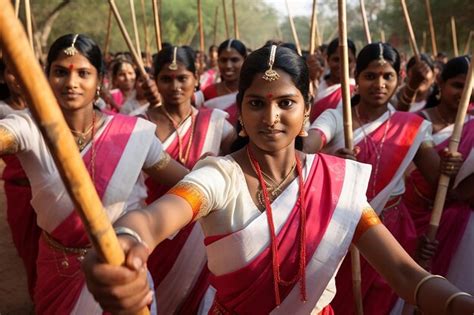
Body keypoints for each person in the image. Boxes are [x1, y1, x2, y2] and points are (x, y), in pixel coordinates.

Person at [82, 45, 474, 315]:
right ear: (239, 112)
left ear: (306, 111)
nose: (270, 117)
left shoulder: (337, 184)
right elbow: (152, 219)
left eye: (286, 103)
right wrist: (127, 241)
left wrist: (457, 302)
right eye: (257, 103)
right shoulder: (220, 177)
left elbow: (406, 275)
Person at [0, 33, 188, 314]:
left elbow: (186, 184)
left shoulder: (132, 133)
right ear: (46, 77)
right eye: (60, 72)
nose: (71, 83)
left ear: (99, 81)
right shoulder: (28, 126)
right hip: (57, 271)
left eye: (83, 73)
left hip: (119, 272)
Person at [304, 42, 463, 315]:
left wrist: (450, 165)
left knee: (380, 304)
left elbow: (437, 178)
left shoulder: (412, 127)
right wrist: (333, 164)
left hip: (392, 233)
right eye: (370, 76)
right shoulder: (336, 118)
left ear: (399, 78)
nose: (379, 84)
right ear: (356, 77)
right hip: (337, 232)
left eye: (387, 76)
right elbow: (306, 150)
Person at [139, 45, 236, 314]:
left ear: (195, 78)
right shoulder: (138, 125)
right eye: (166, 79)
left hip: (200, 238)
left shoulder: (215, 122)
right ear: (155, 81)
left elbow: (246, 156)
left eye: (182, 78)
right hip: (153, 232)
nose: (175, 86)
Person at [404, 55, 474, 294]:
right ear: (441, 83)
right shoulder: (417, 121)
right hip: (412, 221)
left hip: (455, 226)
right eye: (457, 85)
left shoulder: (472, 126)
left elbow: (459, 190)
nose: (463, 93)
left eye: (470, 88)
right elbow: (430, 177)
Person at [0, 57, 40, 298]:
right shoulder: (2, 109)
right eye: (11, 72)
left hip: (49, 188)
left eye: (22, 70)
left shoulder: (46, 107)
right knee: (29, 251)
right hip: (20, 191)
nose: (16, 77)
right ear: (4, 77)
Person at [308, 38, 357, 122]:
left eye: (347, 60)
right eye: (336, 60)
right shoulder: (319, 84)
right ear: (327, 59)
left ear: (354, 62)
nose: (342, 65)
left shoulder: (356, 91)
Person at [201, 39, 247, 125]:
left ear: (245, 60)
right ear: (218, 61)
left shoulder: (251, 91)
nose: (228, 66)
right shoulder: (208, 92)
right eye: (223, 60)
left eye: (234, 60)